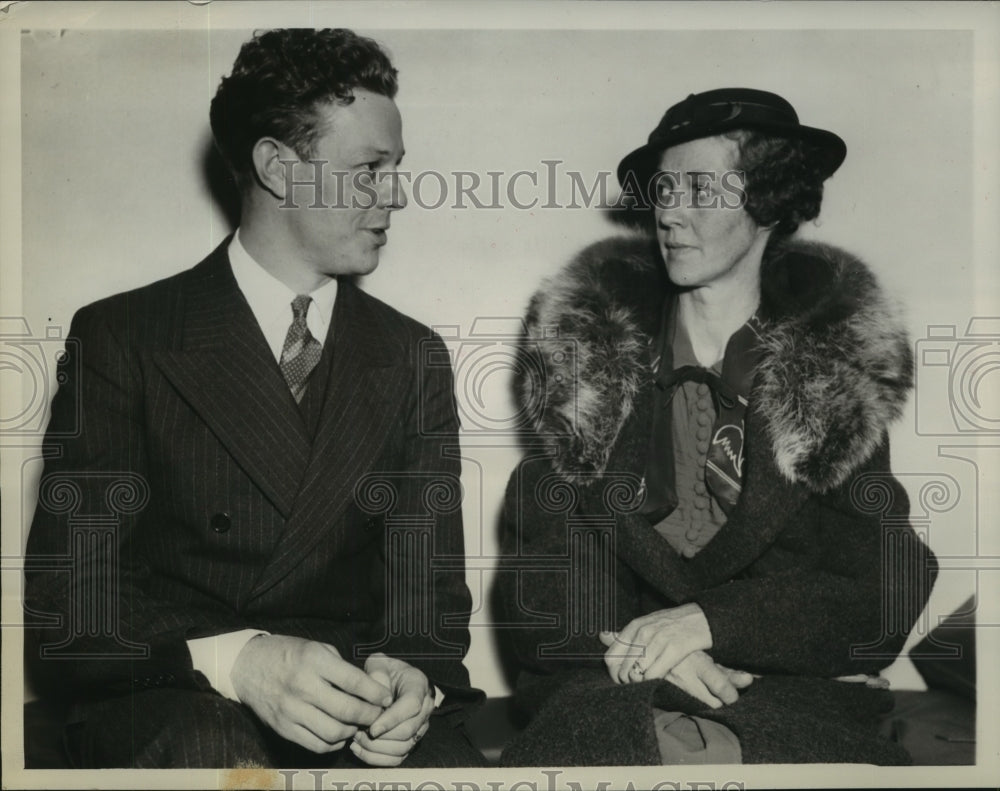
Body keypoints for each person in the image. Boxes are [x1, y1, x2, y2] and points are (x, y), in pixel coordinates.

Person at [24, 28, 485, 769]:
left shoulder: (412, 356)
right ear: (277, 166)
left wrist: (411, 680)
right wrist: (240, 659)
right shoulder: (123, 336)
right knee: (218, 754)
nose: (396, 195)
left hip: (347, 704)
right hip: (173, 697)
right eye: (370, 169)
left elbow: (427, 608)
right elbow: (69, 601)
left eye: (397, 169)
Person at [498, 88, 936, 765]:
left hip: (774, 695)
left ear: (767, 201)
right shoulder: (583, 369)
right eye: (664, 188)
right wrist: (647, 651)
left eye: (700, 189)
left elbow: (884, 585)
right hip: (609, 687)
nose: (669, 211)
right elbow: (541, 579)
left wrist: (710, 624)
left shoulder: (833, 381)